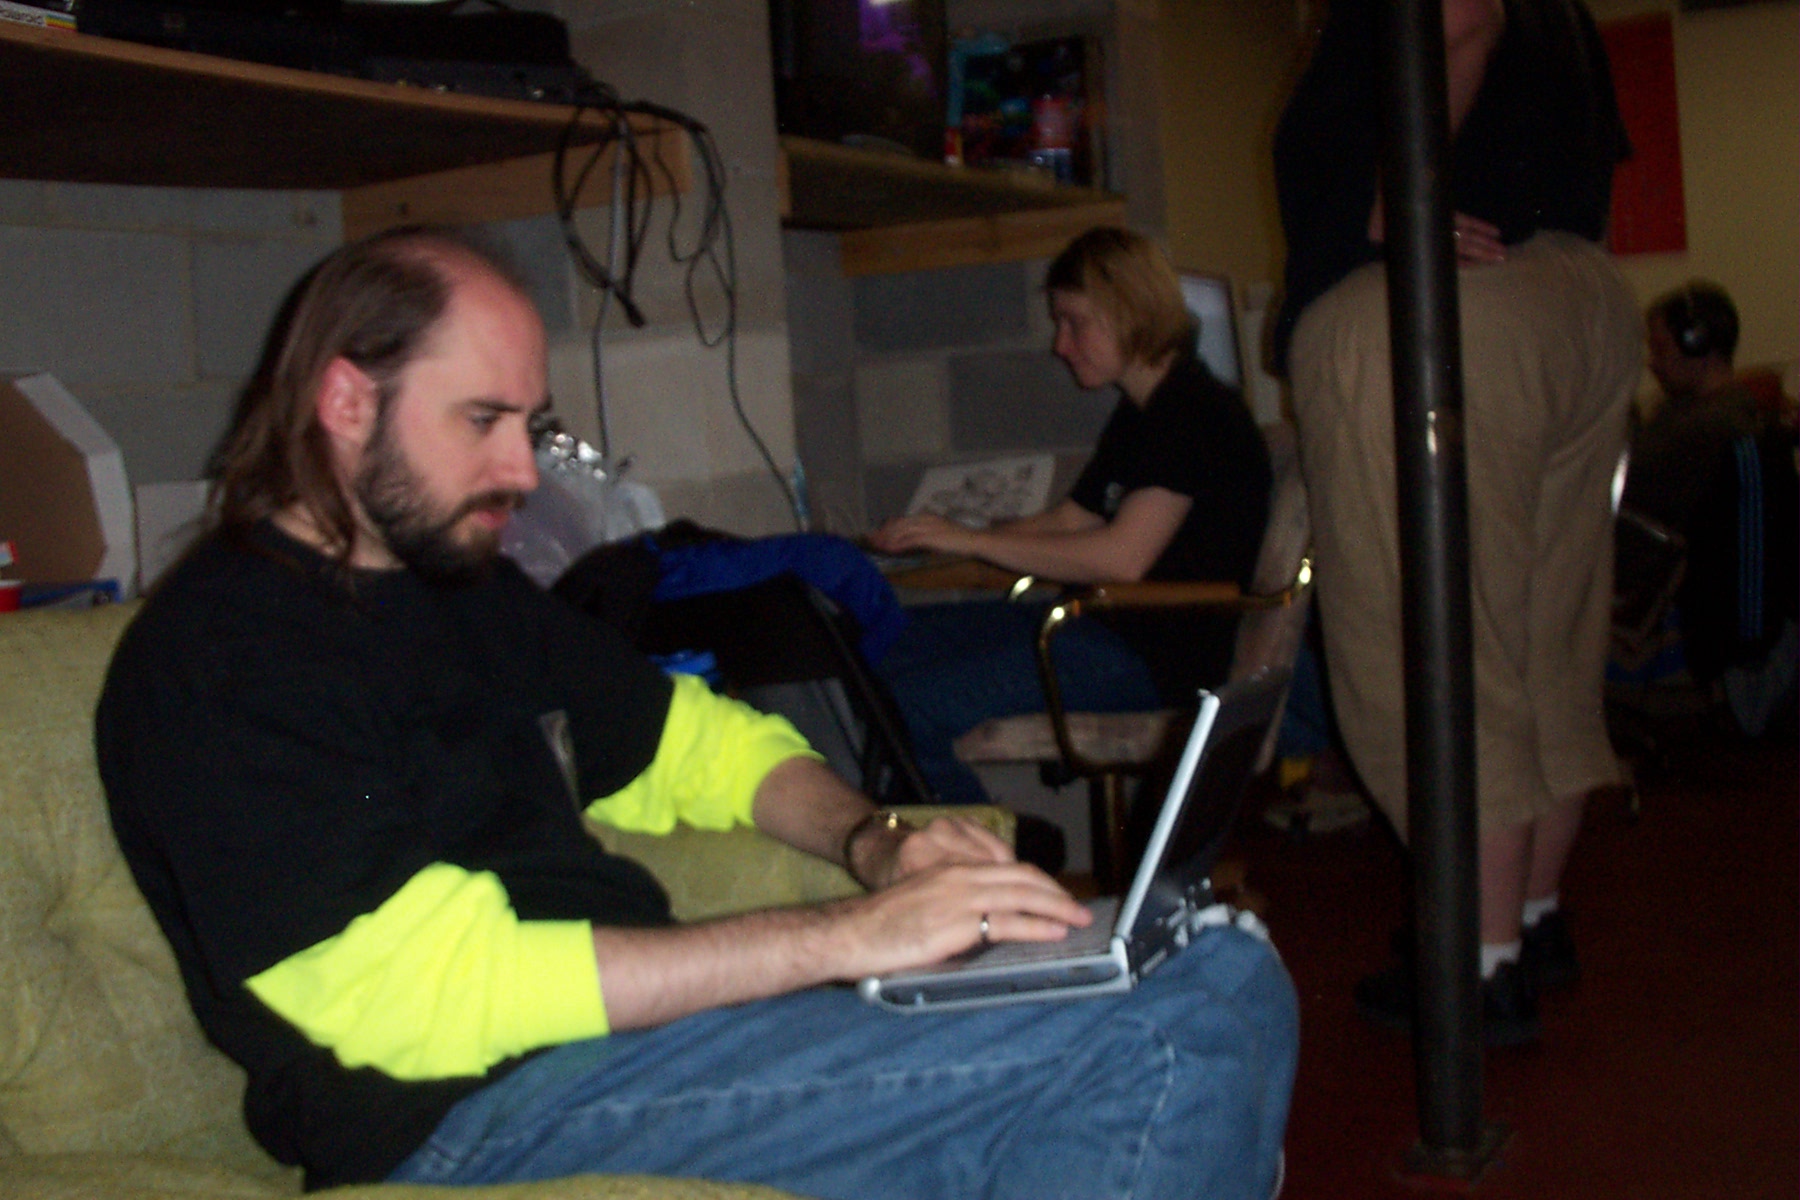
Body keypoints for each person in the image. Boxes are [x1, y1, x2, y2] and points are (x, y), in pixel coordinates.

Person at [94, 227, 1297, 1199]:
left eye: (529, 425)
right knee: (1166, 1035)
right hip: (470, 1119)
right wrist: (839, 938)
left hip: (639, 1054)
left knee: (1218, 962)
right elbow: (421, 1001)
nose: (523, 472)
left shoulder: (462, 589)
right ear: (346, 402)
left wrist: (871, 841)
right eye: (483, 421)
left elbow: (691, 739)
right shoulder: (224, 656)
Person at [1271, 0, 1642, 1045]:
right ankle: (1529, 918)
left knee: (1428, 652)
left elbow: (1460, 15)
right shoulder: (1561, 15)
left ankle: (1477, 966)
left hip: (1437, 310)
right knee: (1545, 637)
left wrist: (1406, 195)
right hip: (1572, 297)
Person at [869, 226, 1272, 808]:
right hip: (1101, 628)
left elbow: (1122, 559)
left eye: (1074, 322)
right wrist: (941, 538)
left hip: (1152, 658)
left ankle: (985, 851)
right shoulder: (1144, 410)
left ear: (1130, 312)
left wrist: (973, 543)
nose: (1061, 344)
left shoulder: (1192, 413)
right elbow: (1068, 521)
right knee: (880, 642)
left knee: (906, 704)